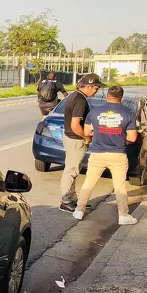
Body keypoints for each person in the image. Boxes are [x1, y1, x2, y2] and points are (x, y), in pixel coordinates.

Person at [72, 86, 138, 225]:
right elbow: (132, 138)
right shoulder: (129, 113)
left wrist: (100, 132)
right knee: (120, 187)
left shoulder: (94, 112)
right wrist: (120, 135)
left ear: (107, 97)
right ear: (122, 98)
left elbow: (87, 131)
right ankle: (123, 216)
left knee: (89, 183)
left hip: (97, 153)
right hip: (118, 155)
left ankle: (79, 210)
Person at [59, 73, 102, 213]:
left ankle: (72, 199)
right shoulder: (80, 100)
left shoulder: (75, 95)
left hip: (71, 138)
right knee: (71, 171)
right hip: (76, 140)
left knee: (72, 170)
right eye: (96, 88)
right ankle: (66, 201)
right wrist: (86, 137)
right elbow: (75, 125)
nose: (97, 91)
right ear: (89, 86)